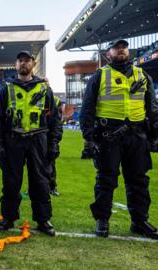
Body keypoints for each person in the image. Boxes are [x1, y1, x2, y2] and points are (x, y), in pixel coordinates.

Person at [80, 39, 158, 239]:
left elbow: (153, 108)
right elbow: (87, 109)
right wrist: (88, 139)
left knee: (139, 181)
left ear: (128, 51)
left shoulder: (143, 76)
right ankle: (102, 221)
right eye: (116, 48)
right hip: (109, 137)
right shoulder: (99, 76)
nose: (121, 50)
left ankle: (139, 222)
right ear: (109, 53)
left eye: (124, 47)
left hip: (137, 136)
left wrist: (155, 136)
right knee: (106, 180)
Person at [0, 51, 62, 236]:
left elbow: (54, 120)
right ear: (16, 64)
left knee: (40, 182)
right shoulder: (6, 89)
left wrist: (54, 144)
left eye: (27, 61)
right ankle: (8, 218)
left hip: (38, 140)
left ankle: (43, 219)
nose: (24, 63)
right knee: (11, 182)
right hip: (13, 140)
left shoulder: (44, 89)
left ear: (33, 64)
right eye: (20, 60)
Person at [48, 95, 63, 196]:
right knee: (33, 164)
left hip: (49, 135)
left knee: (51, 163)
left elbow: (57, 121)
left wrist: (56, 139)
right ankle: (32, 187)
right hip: (36, 135)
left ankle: (52, 187)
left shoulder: (55, 100)